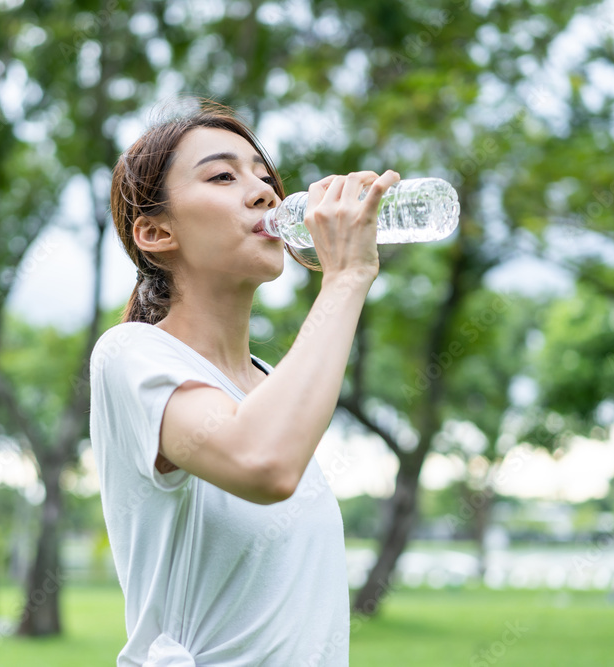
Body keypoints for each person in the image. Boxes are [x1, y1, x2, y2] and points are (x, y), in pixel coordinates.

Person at [88, 100, 399, 666]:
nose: (264, 192)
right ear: (156, 232)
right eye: (223, 175)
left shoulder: (271, 384)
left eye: (263, 175)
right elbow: (263, 463)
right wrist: (347, 277)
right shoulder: (129, 354)